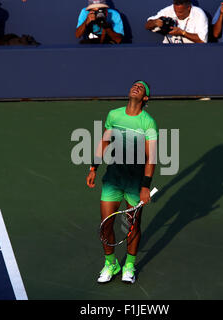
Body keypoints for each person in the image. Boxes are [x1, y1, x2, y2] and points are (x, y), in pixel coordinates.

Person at [86, 80, 158, 284]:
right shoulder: (114, 115)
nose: (136, 87)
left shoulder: (148, 122)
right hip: (113, 179)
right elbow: (105, 141)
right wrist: (93, 167)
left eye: (141, 87)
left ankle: (129, 265)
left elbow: (151, 157)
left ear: (145, 98)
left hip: (135, 183)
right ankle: (111, 263)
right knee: (105, 225)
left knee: (133, 225)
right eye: (134, 85)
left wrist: (145, 186)